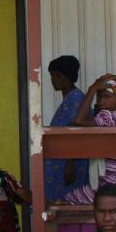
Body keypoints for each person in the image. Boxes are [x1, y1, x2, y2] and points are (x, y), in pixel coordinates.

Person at [60, 75, 116, 208]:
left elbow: (79, 121)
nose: (101, 102)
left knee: (67, 200)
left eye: (107, 97)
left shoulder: (113, 117)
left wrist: (92, 89)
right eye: (99, 96)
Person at [44, 55, 89, 201]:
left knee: (66, 203)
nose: (53, 80)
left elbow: (75, 132)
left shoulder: (75, 98)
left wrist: (70, 164)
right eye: (52, 76)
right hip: (61, 162)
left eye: (55, 75)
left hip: (69, 164)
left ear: (64, 76)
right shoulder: (69, 99)